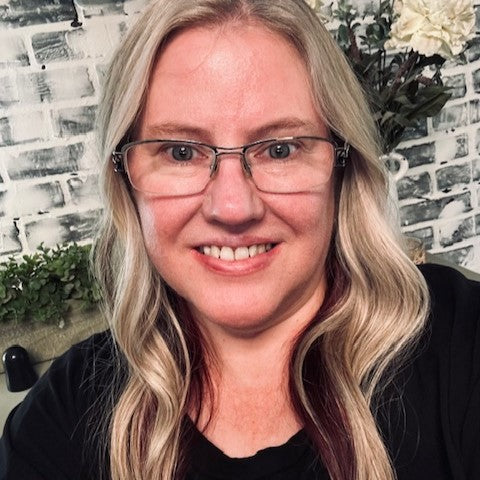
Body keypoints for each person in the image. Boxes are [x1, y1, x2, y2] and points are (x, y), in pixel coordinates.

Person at [1, 0, 479, 479]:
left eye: (280, 149)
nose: (233, 208)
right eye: (181, 152)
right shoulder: (61, 417)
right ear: (125, 180)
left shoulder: (460, 344)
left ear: (343, 167)